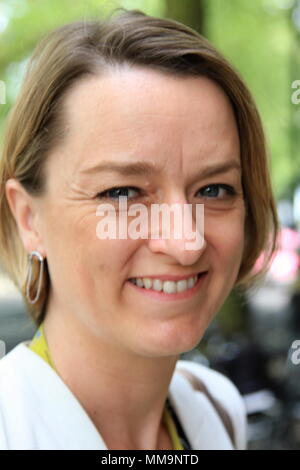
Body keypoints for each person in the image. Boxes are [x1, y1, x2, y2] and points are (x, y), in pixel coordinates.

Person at [0, 8, 279, 450]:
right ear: (28, 219)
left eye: (213, 189)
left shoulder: (216, 409)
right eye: (122, 193)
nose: (185, 243)